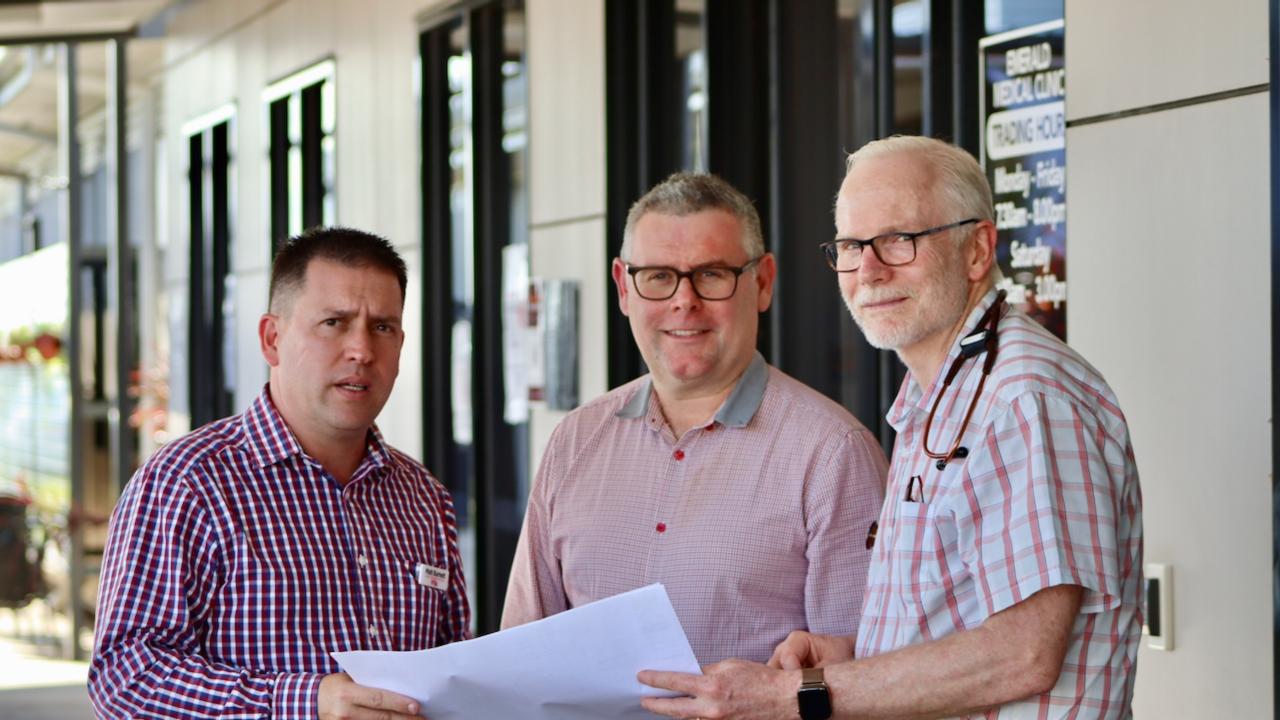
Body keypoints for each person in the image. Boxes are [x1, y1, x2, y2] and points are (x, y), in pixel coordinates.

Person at [639, 137, 1143, 719]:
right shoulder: (940, 392)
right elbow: (957, 623)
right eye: (851, 246)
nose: (869, 271)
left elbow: (1024, 652)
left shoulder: (1022, 398)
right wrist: (851, 656)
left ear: (977, 249)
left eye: (899, 241)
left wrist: (799, 696)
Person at [502, 172, 887, 665]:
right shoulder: (574, 441)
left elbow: (866, 681)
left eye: (711, 274)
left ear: (763, 282)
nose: (685, 301)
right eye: (659, 276)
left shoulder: (834, 455)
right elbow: (521, 654)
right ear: (624, 287)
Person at [88, 227, 469, 719]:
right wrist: (302, 702)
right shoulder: (186, 484)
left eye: (383, 327)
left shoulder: (423, 497)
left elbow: (454, 667)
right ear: (272, 339)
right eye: (334, 322)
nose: (361, 350)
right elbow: (124, 678)